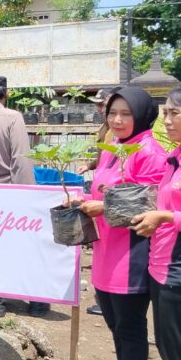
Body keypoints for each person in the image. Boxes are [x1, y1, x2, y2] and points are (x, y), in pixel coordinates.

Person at [73, 86, 167, 360]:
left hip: (132, 252)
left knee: (129, 326)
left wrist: (104, 206)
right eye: (112, 112)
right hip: (106, 248)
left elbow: (150, 204)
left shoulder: (149, 152)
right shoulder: (116, 147)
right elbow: (102, 190)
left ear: (142, 115)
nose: (117, 119)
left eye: (126, 114)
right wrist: (81, 202)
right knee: (115, 322)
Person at [132, 84, 181, 360]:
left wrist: (167, 217)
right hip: (162, 269)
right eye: (164, 113)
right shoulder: (177, 156)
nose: (166, 121)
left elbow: (171, 213)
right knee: (173, 354)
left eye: (175, 113)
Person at [0, 76, 49, 318]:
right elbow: (21, 159)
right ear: (5, 93)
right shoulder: (12, 117)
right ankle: (37, 300)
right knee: (25, 244)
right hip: (9, 190)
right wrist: (29, 195)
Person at [76, 87, 119, 317]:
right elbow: (104, 157)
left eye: (103, 104)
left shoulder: (117, 130)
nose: (99, 108)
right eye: (100, 105)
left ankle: (107, 301)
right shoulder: (107, 127)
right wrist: (92, 166)